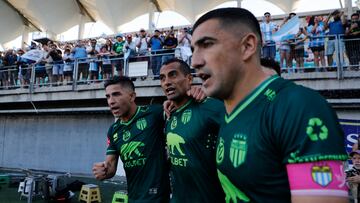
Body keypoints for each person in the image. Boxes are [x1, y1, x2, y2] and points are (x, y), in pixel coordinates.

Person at [191, 7, 348, 203]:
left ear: (247, 46)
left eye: (206, 44)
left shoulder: (299, 106)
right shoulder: (229, 111)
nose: (195, 61)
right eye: (192, 50)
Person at [92, 76, 170, 202]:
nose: (111, 101)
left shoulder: (154, 114)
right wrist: (103, 171)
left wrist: (193, 92)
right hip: (133, 198)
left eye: (116, 94)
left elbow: (180, 106)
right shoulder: (113, 130)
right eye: (108, 96)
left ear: (132, 96)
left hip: (158, 198)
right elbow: (111, 167)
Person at [159, 58, 225, 202]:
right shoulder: (169, 113)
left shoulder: (210, 106)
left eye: (173, 75)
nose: (167, 82)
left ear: (189, 79)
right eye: (162, 78)